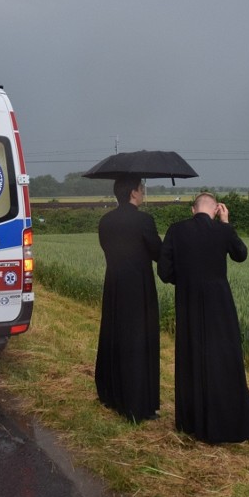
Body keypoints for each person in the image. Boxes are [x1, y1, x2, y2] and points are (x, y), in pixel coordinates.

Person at [157, 192, 249, 443]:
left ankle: (190, 422)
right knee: (222, 357)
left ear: (193, 210)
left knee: (190, 355)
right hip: (219, 303)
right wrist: (226, 223)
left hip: (188, 300)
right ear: (216, 210)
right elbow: (241, 254)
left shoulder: (176, 230)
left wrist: (184, 281)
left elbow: (164, 271)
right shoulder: (222, 230)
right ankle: (225, 422)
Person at [95, 176, 162, 422]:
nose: (143, 192)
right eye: (141, 189)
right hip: (138, 288)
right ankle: (137, 404)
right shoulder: (144, 220)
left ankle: (111, 395)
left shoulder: (105, 221)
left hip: (113, 285)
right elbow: (158, 252)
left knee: (114, 335)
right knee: (138, 340)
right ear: (133, 193)